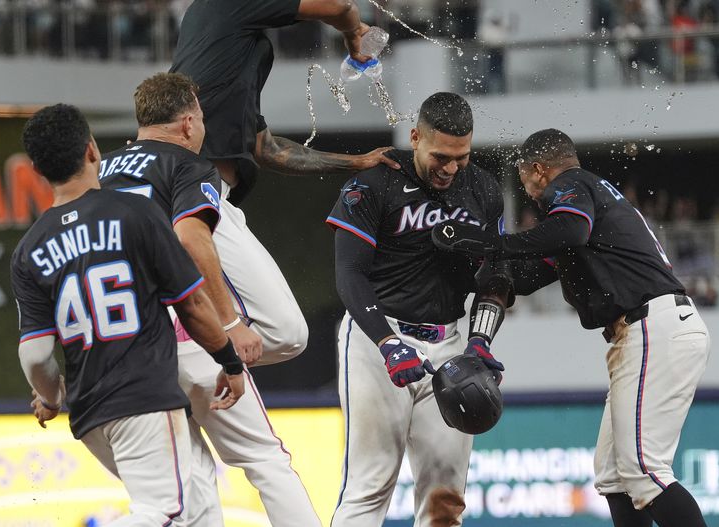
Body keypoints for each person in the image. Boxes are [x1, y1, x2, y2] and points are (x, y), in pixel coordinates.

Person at [433, 128, 711, 527]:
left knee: (644, 472)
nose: (528, 191)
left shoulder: (573, 184)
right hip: (650, 328)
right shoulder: (587, 208)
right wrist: (479, 267)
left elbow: (567, 231)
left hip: (652, 325)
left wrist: (487, 242)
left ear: (539, 170)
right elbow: (528, 275)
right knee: (615, 479)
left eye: (526, 179)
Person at [99, 72, 321, 527]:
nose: (202, 128)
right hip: (190, 334)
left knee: (191, 484)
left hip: (128, 356)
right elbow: (191, 237)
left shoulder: (100, 171)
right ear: (185, 123)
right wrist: (228, 323)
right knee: (265, 461)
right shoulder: (185, 164)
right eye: (200, 118)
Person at [11, 104, 245, 526]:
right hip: (144, 401)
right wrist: (230, 361)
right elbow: (192, 304)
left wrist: (49, 397)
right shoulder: (135, 214)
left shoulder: (28, 249)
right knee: (163, 513)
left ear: (37, 169)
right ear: (92, 150)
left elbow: (34, 356)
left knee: (200, 500)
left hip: (91, 415)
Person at [168, 0, 401, 366]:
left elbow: (269, 149)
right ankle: (178, 354)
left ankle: (184, 355)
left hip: (200, 194)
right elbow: (340, 6)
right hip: (192, 193)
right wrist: (355, 34)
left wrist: (357, 162)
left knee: (276, 336)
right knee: (285, 334)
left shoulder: (229, 52)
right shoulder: (225, 8)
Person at [326, 92, 508, 527]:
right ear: (415, 138)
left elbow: (496, 275)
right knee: (369, 486)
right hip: (377, 338)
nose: (449, 168)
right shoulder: (374, 182)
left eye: (460, 157)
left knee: (445, 498)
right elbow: (349, 274)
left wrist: (481, 339)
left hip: (449, 345)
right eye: (440, 155)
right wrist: (388, 343)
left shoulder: (482, 188)